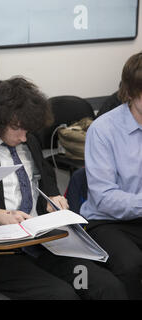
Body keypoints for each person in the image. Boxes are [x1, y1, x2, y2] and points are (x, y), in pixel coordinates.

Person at [0, 77, 127, 300]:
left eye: (28, 130)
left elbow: (46, 183)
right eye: (17, 128)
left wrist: (54, 198)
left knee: (106, 287)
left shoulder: (29, 141)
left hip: (43, 245)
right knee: (61, 295)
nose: (23, 136)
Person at [80, 52, 142, 299]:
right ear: (130, 91)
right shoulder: (103, 130)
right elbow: (104, 198)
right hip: (106, 221)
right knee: (131, 264)